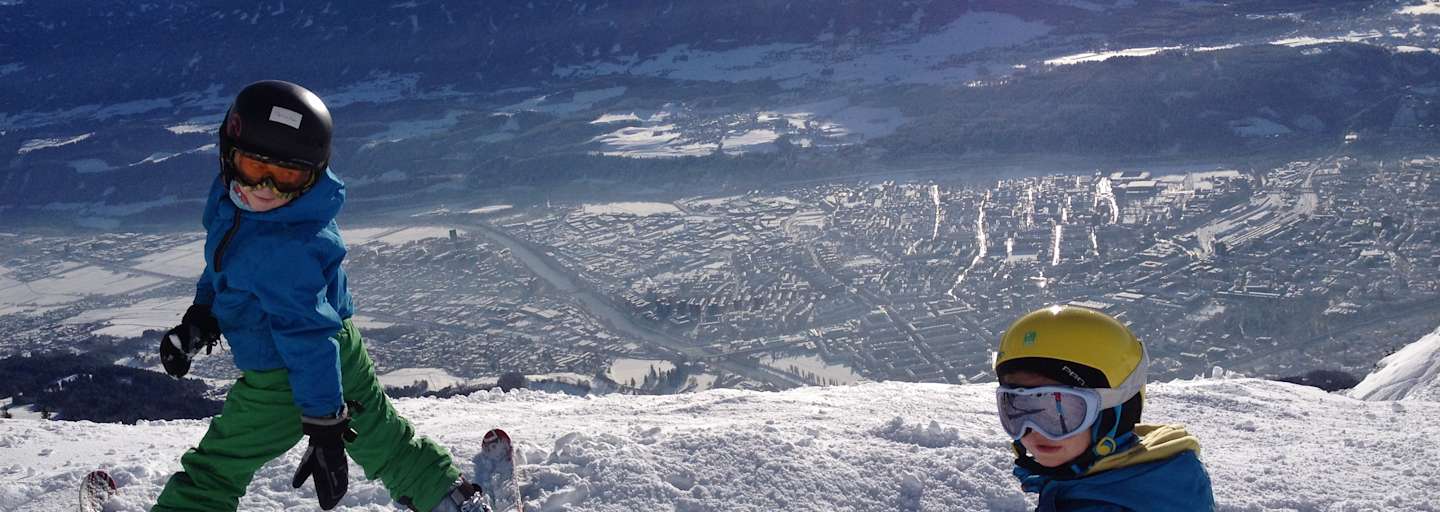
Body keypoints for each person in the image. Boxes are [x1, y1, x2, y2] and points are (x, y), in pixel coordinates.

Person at [152, 80, 489, 512]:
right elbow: (228, 268)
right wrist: (202, 316)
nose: (266, 190)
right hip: (341, 347)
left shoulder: (284, 247)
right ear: (229, 154)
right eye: (257, 169)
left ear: (311, 175)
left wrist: (325, 423)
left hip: (284, 373)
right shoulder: (245, 209)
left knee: (217, 466)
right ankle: (451, 501)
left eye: (287, 176)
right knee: (383, 437)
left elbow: (305, 335)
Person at [993, 305, 1215, 511]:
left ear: (1117, 411)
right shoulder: (1152, 476)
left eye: (1059, 409)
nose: (1035, 431)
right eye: (1017, 408)